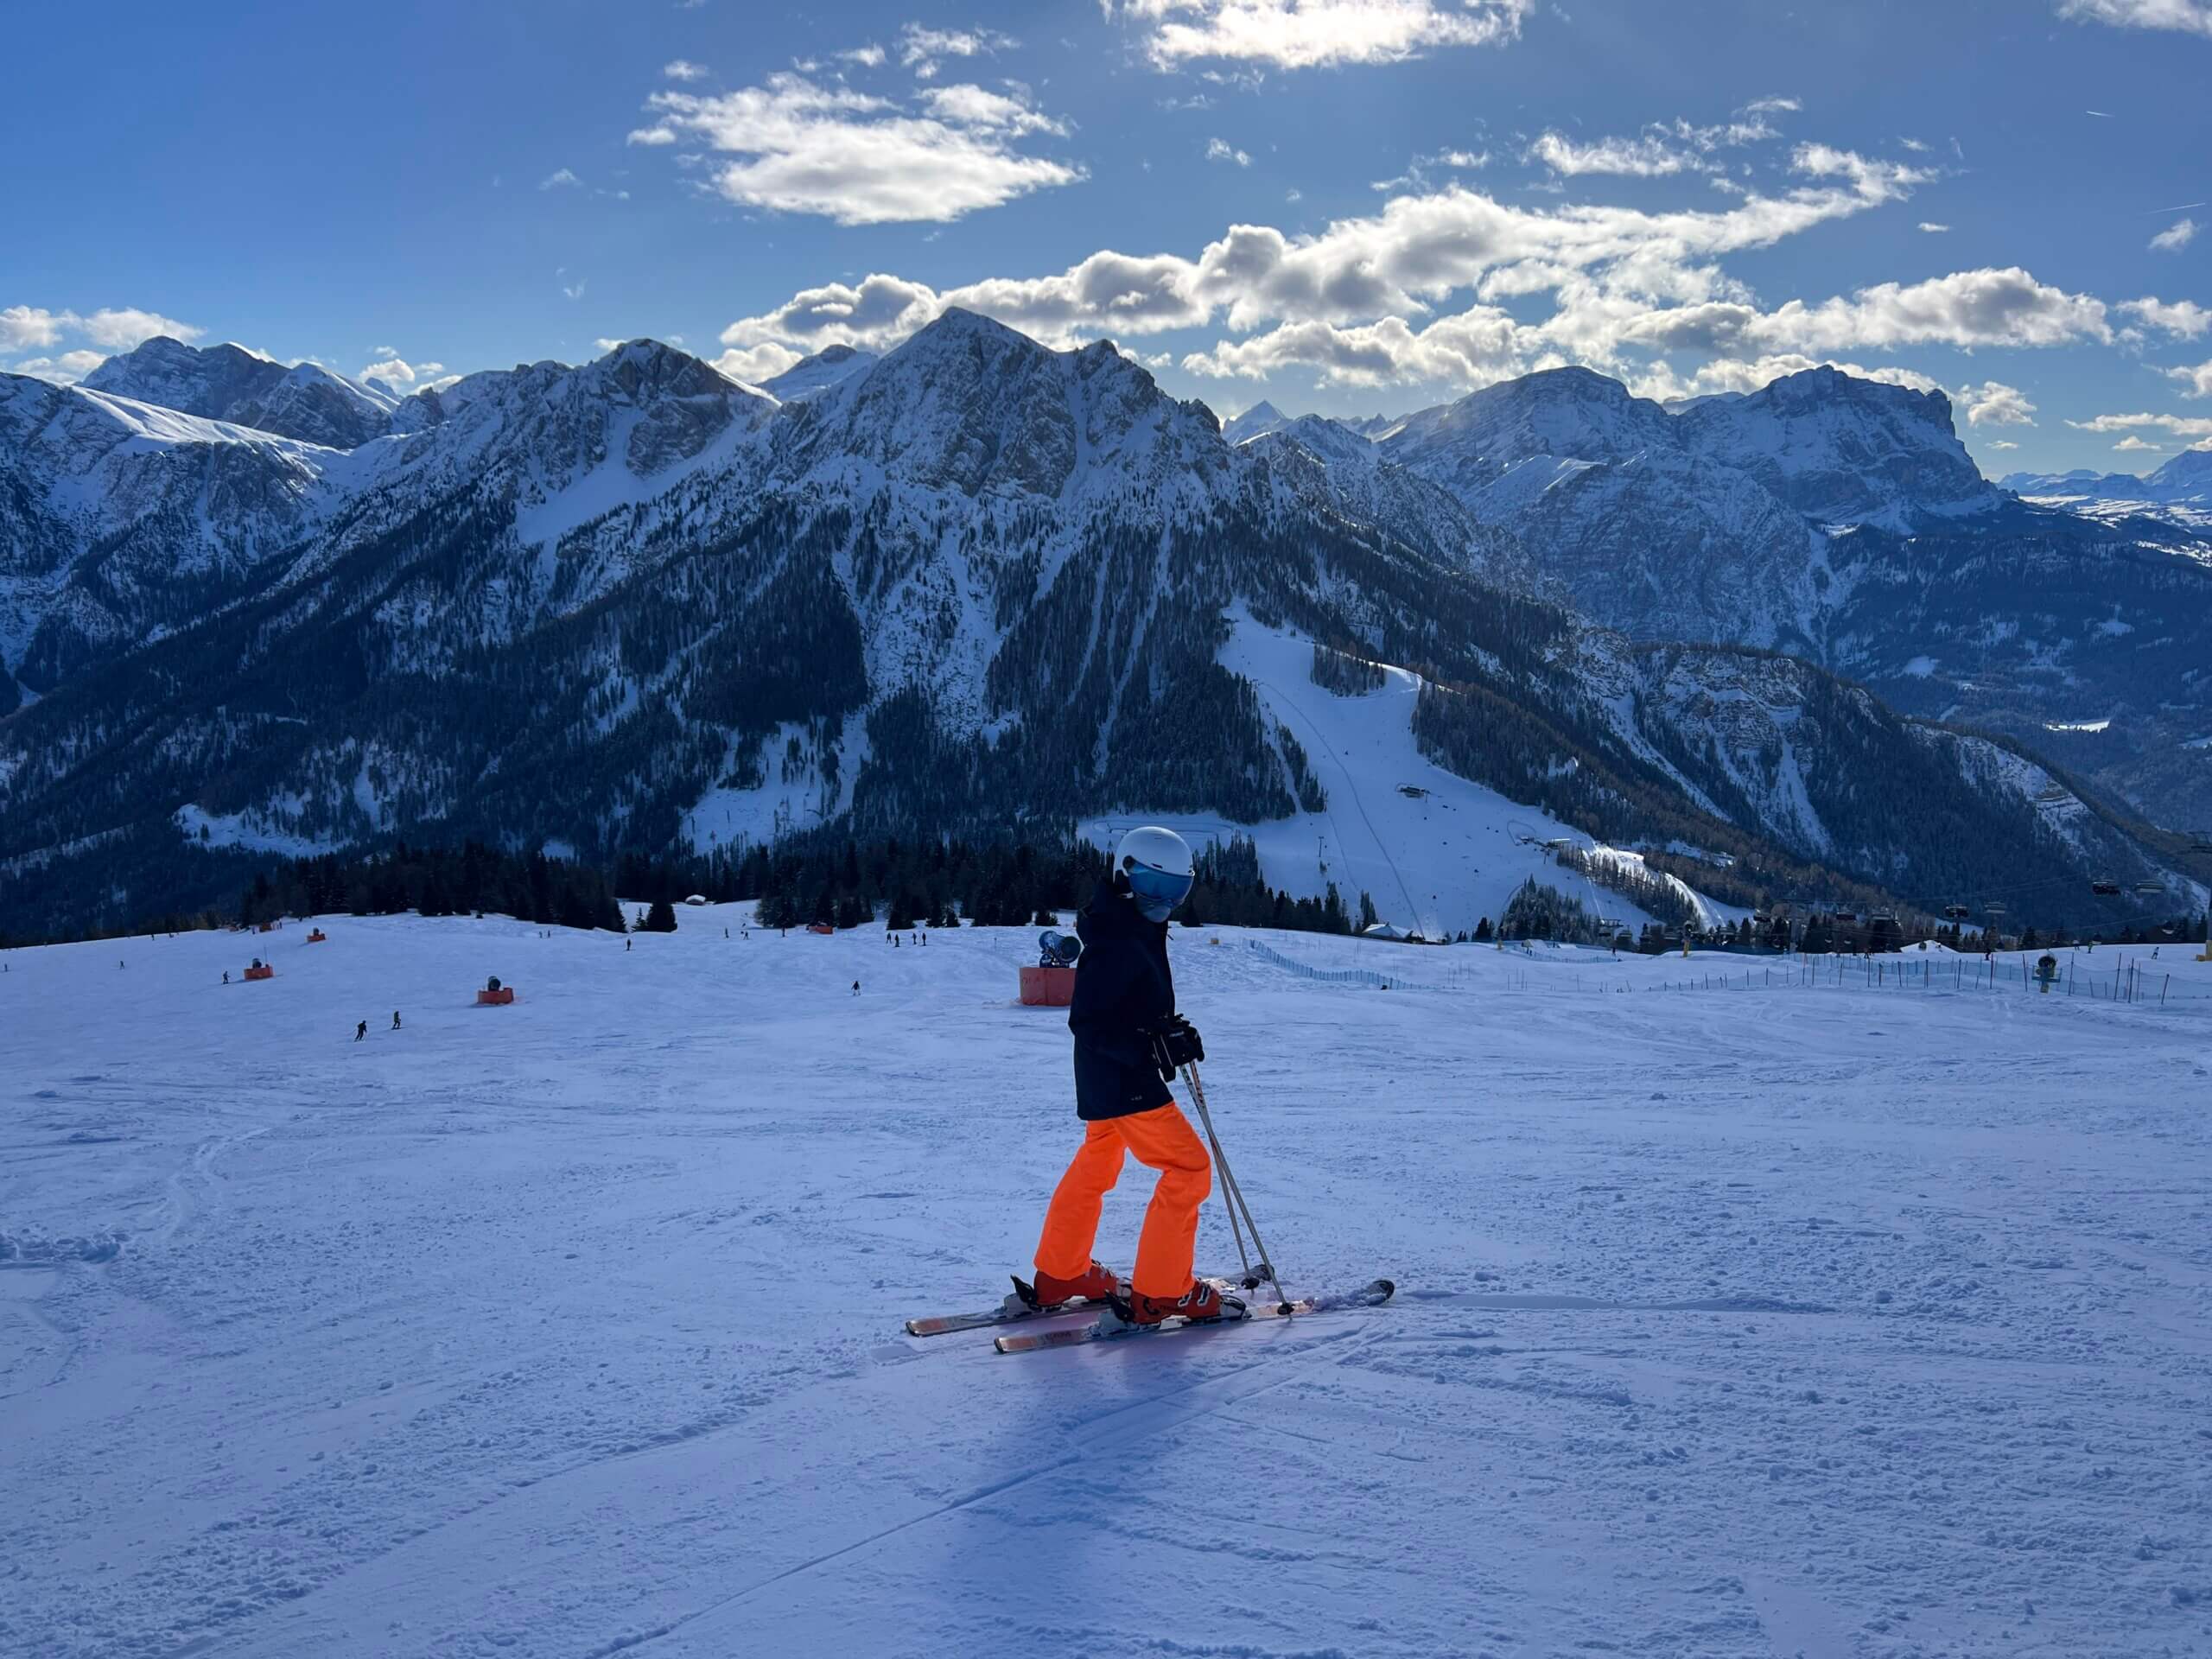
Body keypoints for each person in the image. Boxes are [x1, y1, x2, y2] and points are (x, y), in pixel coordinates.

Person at [1026, 827, 1243, 1329]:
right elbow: (1089, 1020)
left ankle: (1062, 1272)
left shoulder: (1125, 923)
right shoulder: (1116, 936)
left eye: (1174, 891)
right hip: (1124, 1079)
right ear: (1124, 874)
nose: (1162, 902)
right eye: (1152, 886)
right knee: (1189, 1169)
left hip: (1104, 1077)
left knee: (1098, 1161)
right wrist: (1149, 1044)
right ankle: (1163, 1292)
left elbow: (1125, 1007)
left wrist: (1166, 1030)